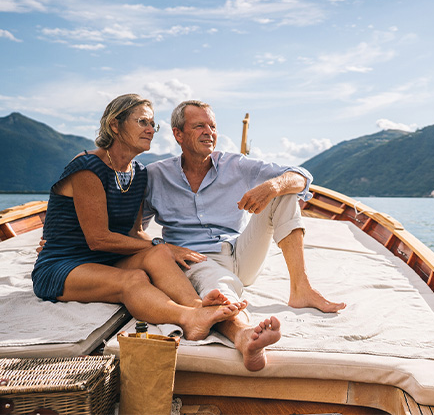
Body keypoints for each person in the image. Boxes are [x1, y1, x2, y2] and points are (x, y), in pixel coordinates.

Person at [141, 100, 345, 370]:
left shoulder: (234, 165)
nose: (209, 132)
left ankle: (301, 289)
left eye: (212, 126)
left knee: (283, 195)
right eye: (199, 126)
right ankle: (244, 335)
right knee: (219, 289)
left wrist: (272, 186)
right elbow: (134, 232)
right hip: (197, 259)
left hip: (241, 253)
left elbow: (302, 178)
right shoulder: (154, 176)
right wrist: (164, 248)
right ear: (178, 134)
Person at [31, 94, 245, 342]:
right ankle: (187, 318)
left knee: (159, 253)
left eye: (153, 124)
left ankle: (199, 307)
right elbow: (98, 239)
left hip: (108, 260)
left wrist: (164, 251)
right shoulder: (88, 167)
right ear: (115, 125)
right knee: (135, 278)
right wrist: (163, 245)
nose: (151, 130)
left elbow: (134, 233)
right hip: (64, 264)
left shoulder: (139, 173)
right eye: (142, 122)